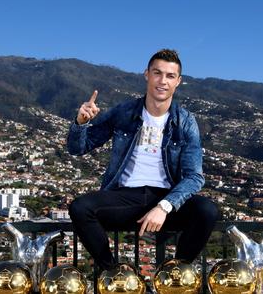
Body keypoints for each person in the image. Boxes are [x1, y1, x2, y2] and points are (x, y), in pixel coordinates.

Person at [67, 49, 218, 270]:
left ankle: (175, 274)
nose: (162, 81)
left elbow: (194, 176)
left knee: (207, 210)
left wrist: (165, 206)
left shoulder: (185, 122)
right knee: (80, 208)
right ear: (146, 74)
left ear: (178, 81)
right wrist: (81, 123)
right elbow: (78, 148)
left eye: (170, 76)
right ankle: (113, 272)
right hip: (125, 197)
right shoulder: (124, 112)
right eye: (157, 73)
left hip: (166, 199)